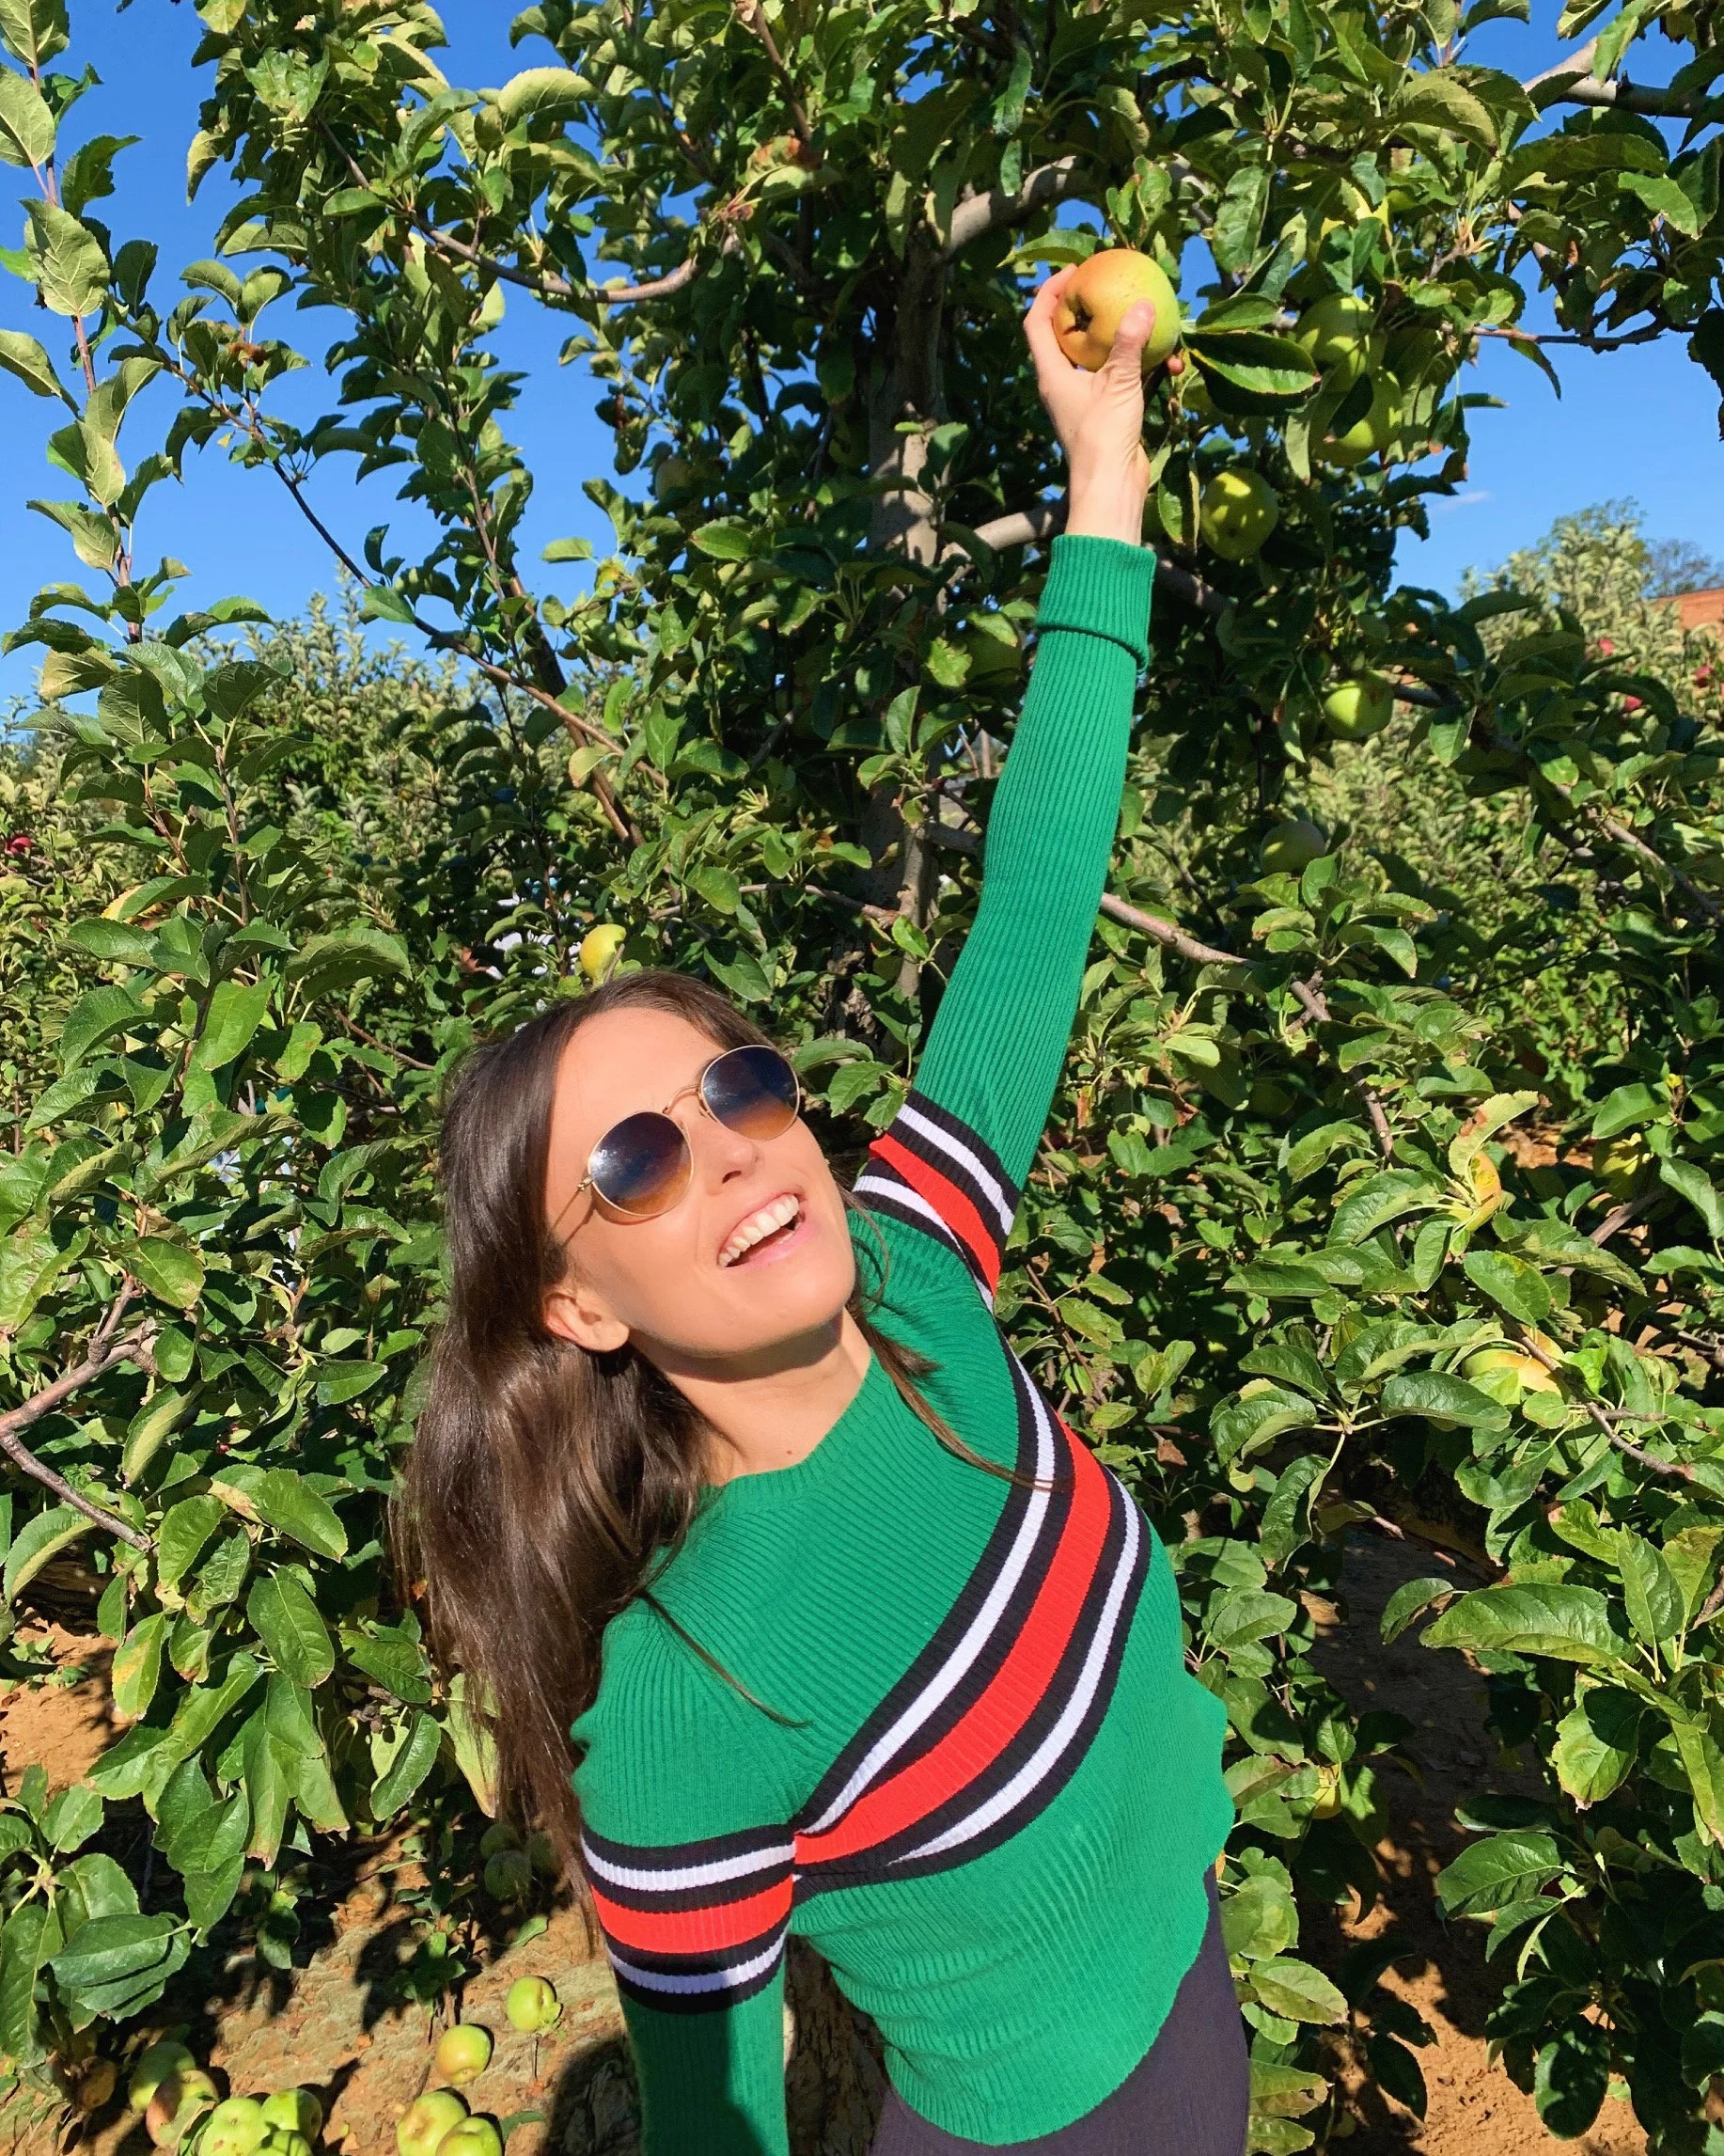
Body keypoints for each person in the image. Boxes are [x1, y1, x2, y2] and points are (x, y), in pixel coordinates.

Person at [397, 271, 1243, 2155]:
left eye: (739, 1086)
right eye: (632, 1164)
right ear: (579, 1308)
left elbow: (1033, 903)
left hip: (1191, 1999)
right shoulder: (691, 1694)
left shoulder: (921, 1280)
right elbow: (715, 2120)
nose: (731, 1149)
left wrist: (1101, 466)